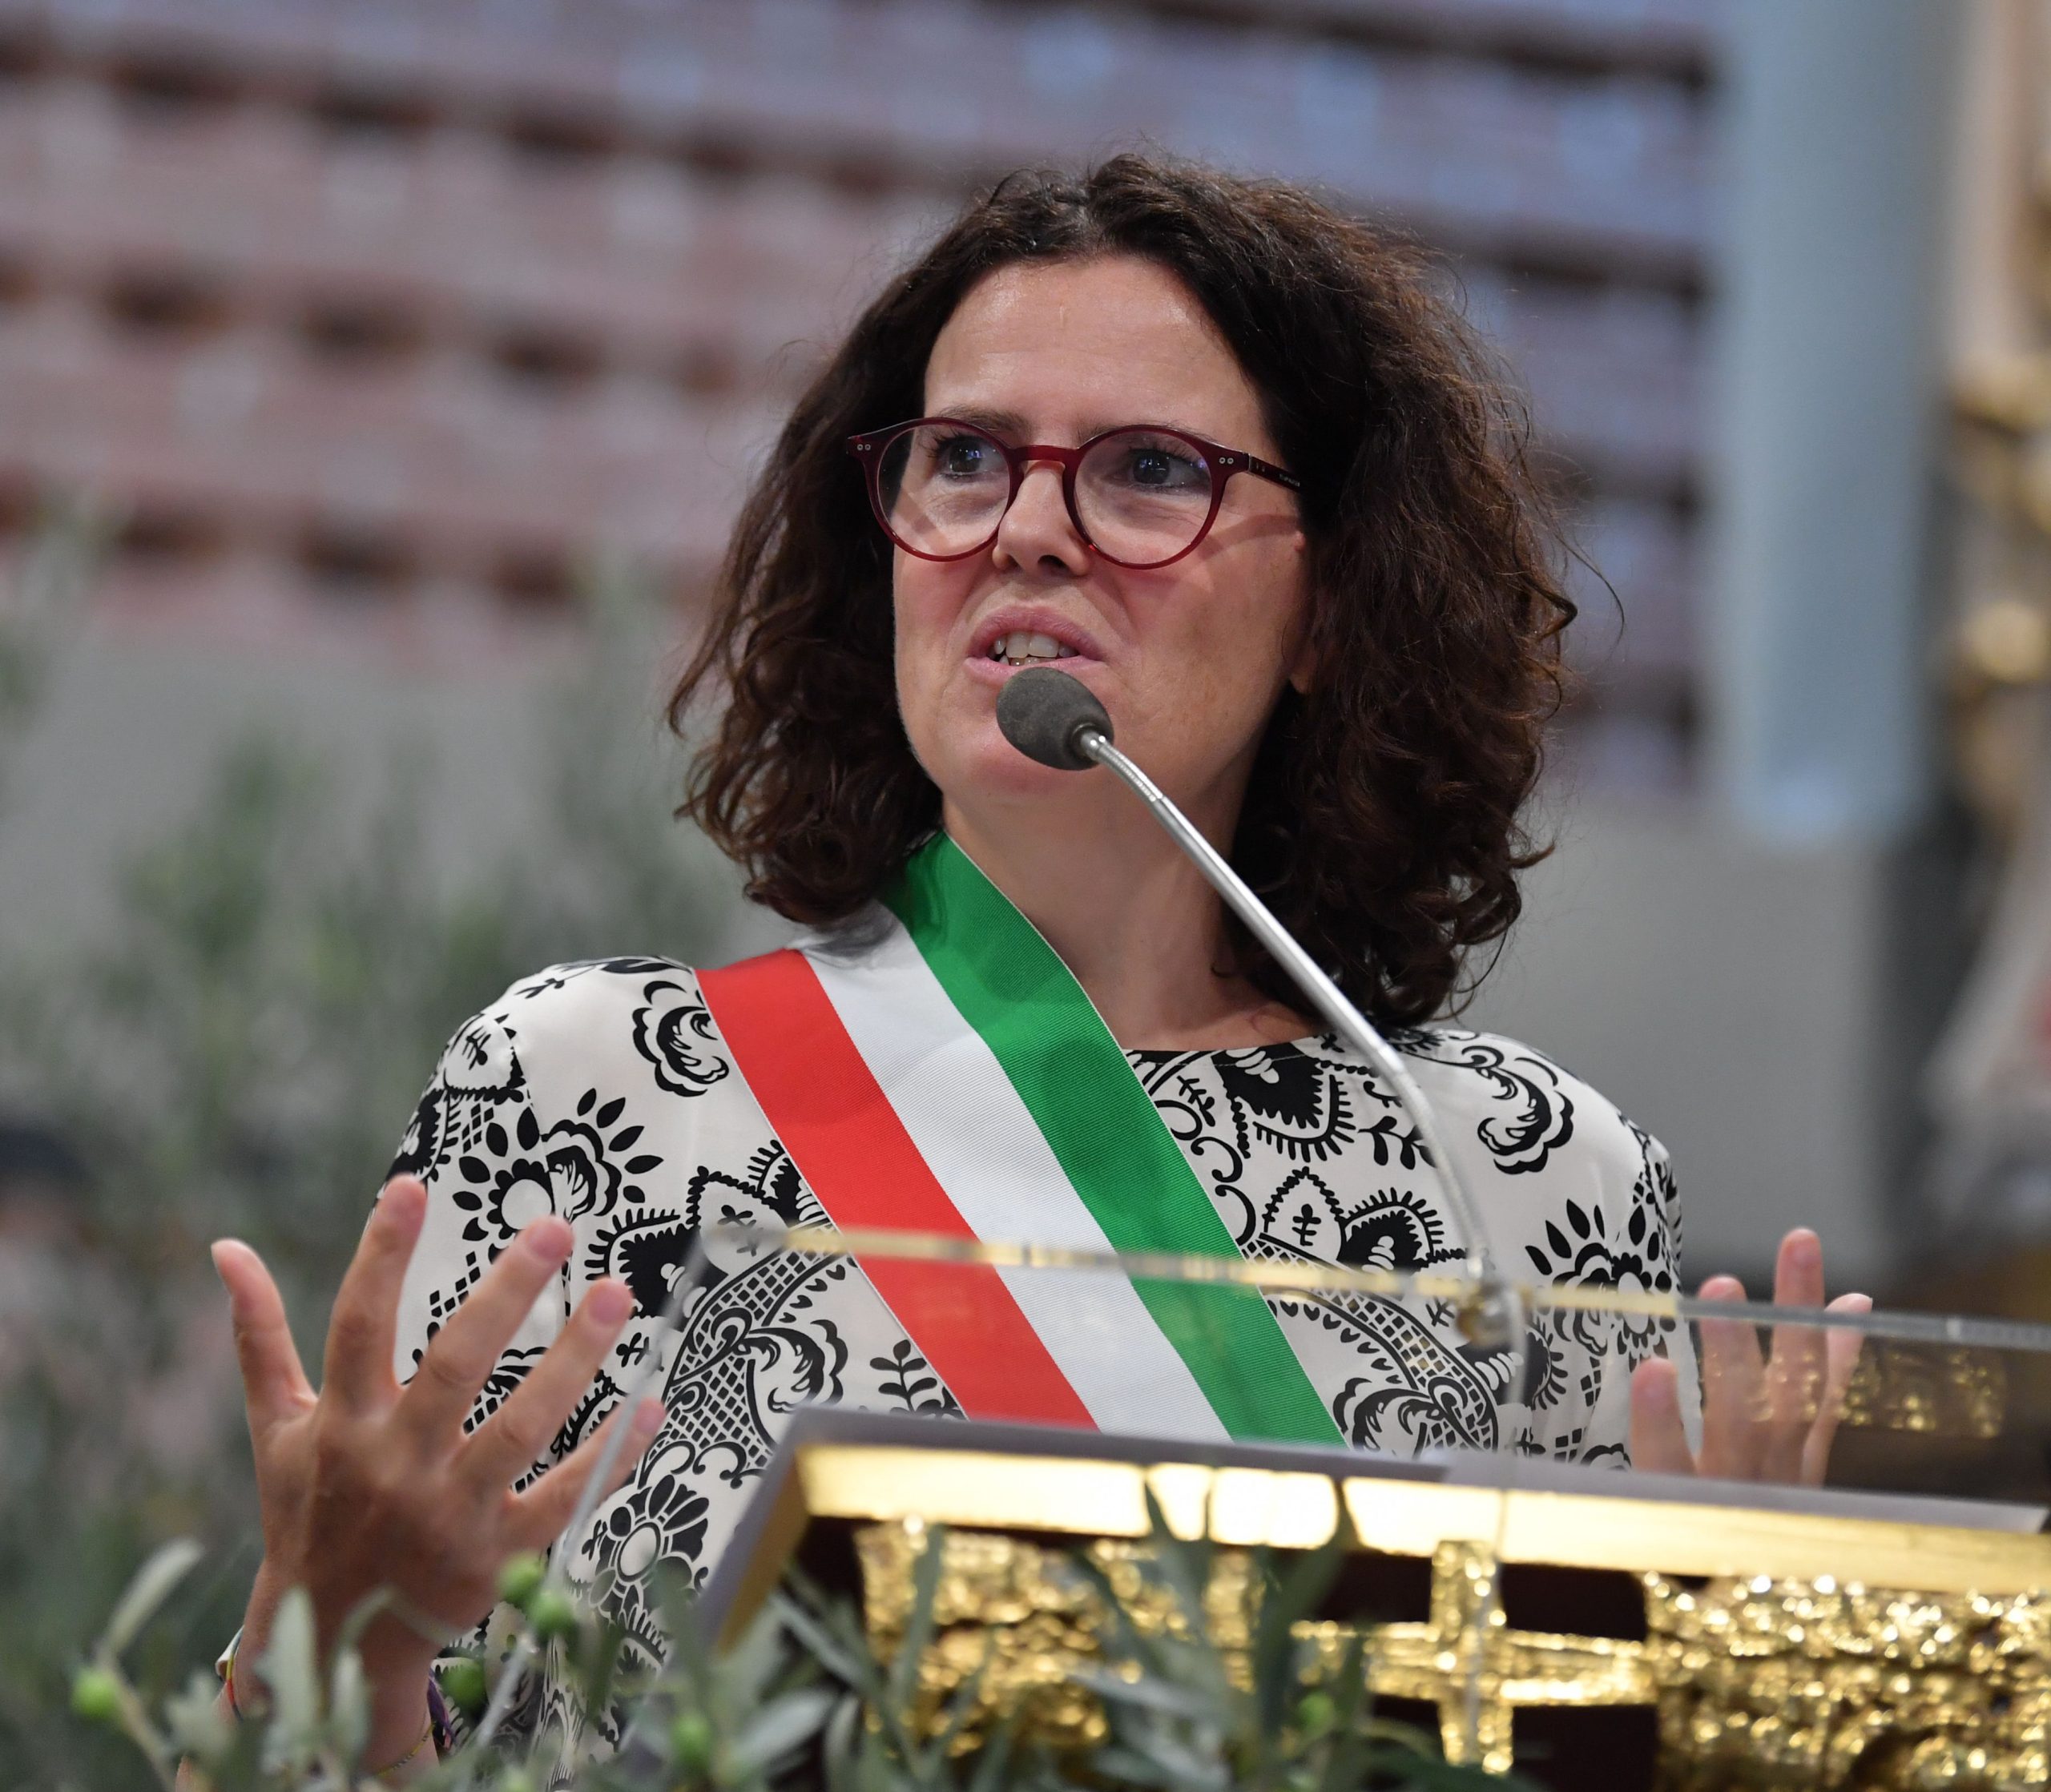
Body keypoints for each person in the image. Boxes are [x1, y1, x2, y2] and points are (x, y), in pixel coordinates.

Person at [204, 156, 1868, 1780]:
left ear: (1331, 607)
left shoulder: (1525, 1184)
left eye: (1145, 470)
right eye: (964, 459)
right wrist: (333, 1633)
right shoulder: (606, 1089)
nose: (1025, 530)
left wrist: (1745, 1717)